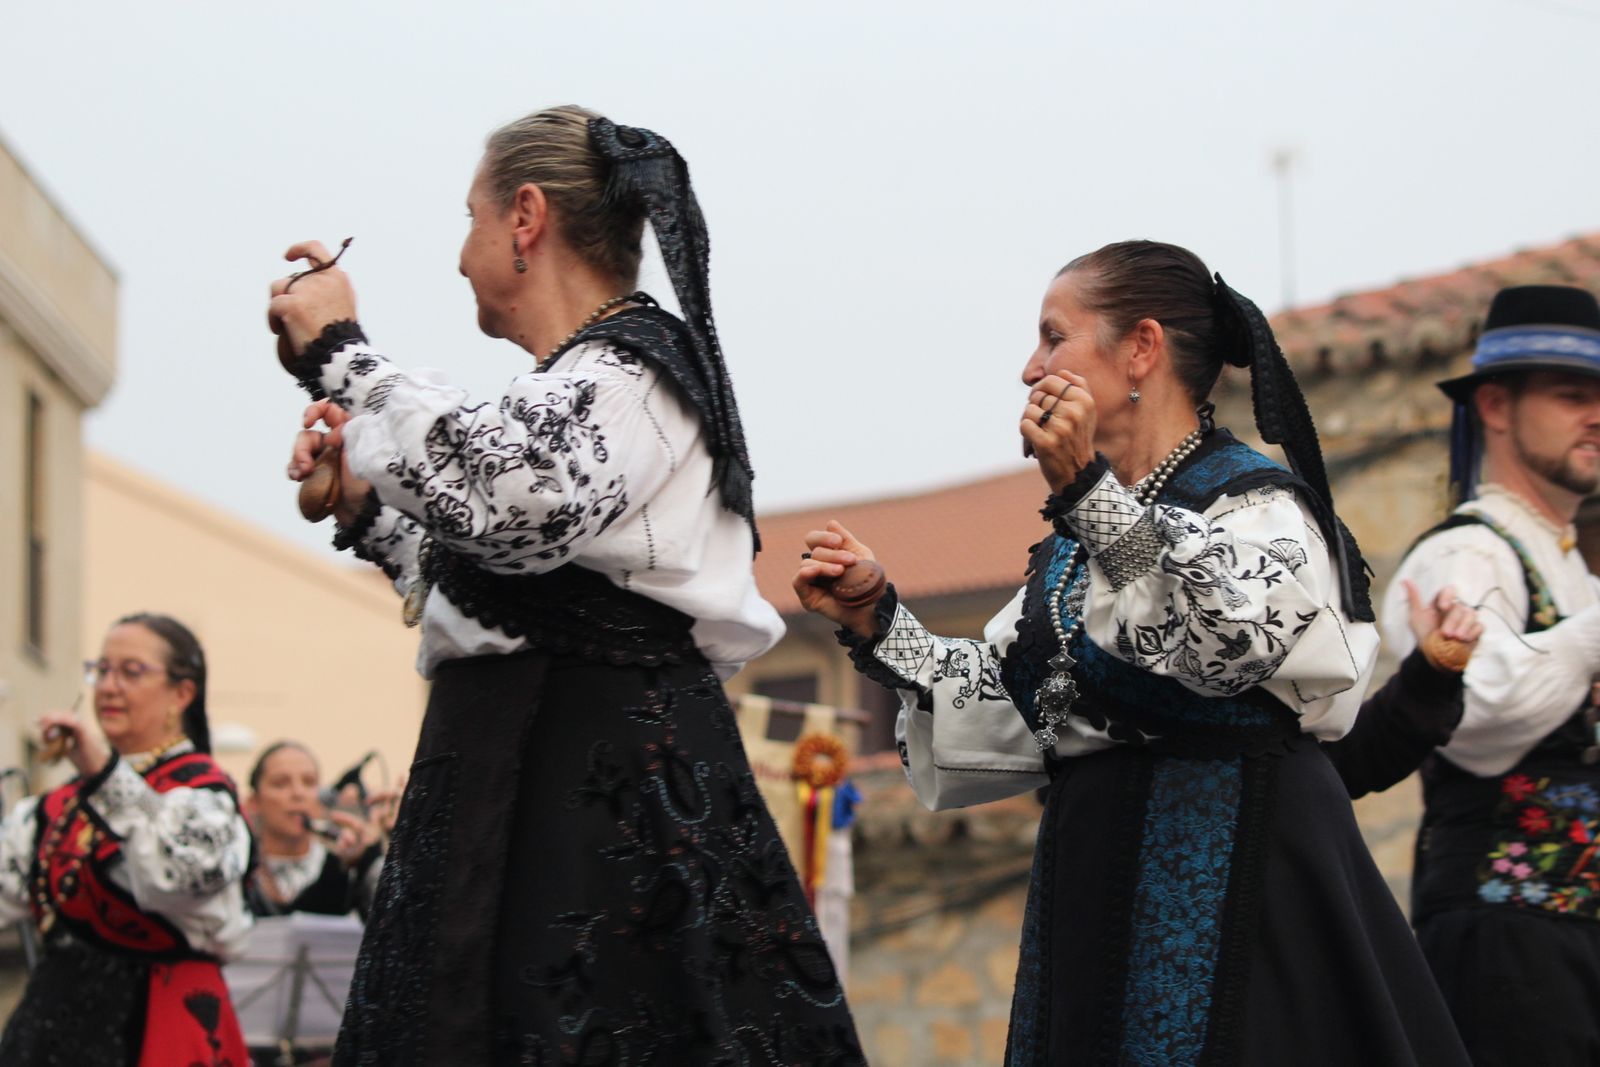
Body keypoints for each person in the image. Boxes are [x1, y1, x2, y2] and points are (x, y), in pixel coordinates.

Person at [267, 105, 862, 1064]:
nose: (462, 255)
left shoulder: (631, 375)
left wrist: (344, 347)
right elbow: (501, 579)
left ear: (525, 218)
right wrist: (363, 511)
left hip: (601, 798)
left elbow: (504, 496)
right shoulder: (577, 388)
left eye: (471, 219)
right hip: (516, 779)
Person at [796, 240, 1470, 1065]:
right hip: (1096, 883)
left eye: (1054, 337)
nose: (1028, 367)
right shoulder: (1072, 546)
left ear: (1141, 348)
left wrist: (1087, 492)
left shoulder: (1253, 502)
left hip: (1243, 882)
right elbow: (1021, 709)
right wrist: (878, 620)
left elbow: (1232, 640)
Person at [1384, 283, 1600, 1065]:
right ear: (1497, 406)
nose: (1597, 415)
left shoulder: (1572, 572)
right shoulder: (1463, 555)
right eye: (1574, 395)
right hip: (1508, 939)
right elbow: (1477, 718)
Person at [0, 613, 251, 1065]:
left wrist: (104, 775)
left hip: (160, 1026)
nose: (108, 686)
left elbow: (177, 877)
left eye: (130, 672)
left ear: (182, 692)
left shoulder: (203, 797)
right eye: (101, 670)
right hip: (52, 1028)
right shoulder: (57, 808)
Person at [243, 741, 389, 918]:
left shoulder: (347, 869)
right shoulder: (238, 870)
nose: (298, 793)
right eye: (280, 784)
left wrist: (368, 860)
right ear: (253, 803)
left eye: (309, 782)